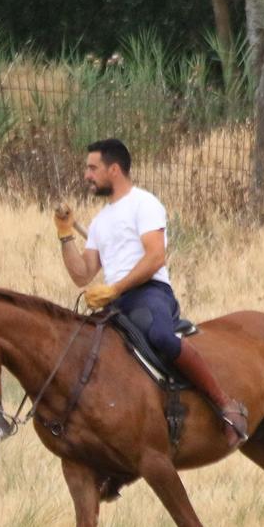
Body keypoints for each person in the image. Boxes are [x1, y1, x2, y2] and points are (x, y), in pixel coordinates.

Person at [56, 137, 248, 446]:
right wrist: (65, 235)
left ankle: (225, 405)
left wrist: (114, 287)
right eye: (86, 169)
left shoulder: (144, 204)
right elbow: (82, 274)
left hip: (149, 293)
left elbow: (155, 256)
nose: (86, 175)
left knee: (160, 337)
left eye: (93, 168)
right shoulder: (101, 221)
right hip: (115, 303)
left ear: (114, 169)